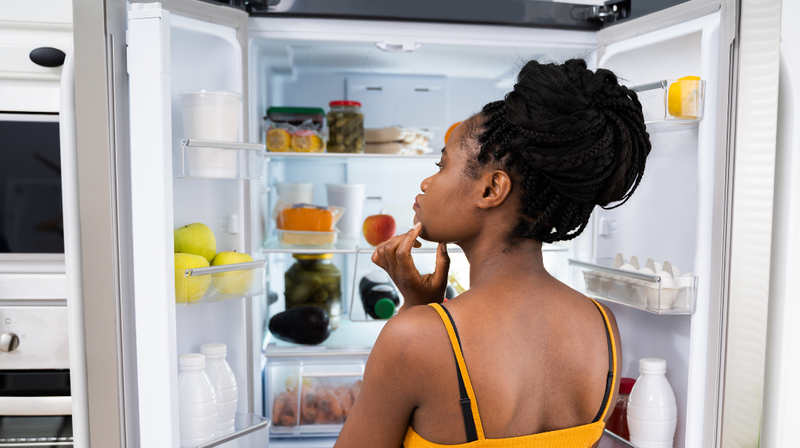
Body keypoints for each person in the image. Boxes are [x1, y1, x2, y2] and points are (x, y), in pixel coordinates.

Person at [335, 59, 651, 448]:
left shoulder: (414, 340)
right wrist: (422, 310)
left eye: (441, 165)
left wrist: (416, 315)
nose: (426, 181)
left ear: (491, 190)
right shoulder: (603, 327)